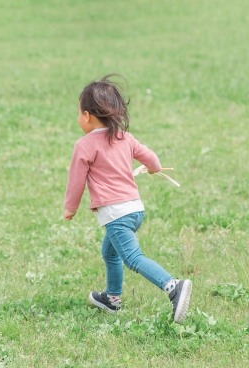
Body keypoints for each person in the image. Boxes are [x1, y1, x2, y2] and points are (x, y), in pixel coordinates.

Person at [62, 75, 192, 323]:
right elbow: (152, 159)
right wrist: (155, 168)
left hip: (116, 215)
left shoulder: (84, 145)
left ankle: (173, 286)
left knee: (132, 258)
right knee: (110, 253)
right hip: (135, 210)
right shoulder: (125, 137)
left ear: (87, 116)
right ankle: (111, 299)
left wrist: (70, 208)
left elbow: (76, 181)